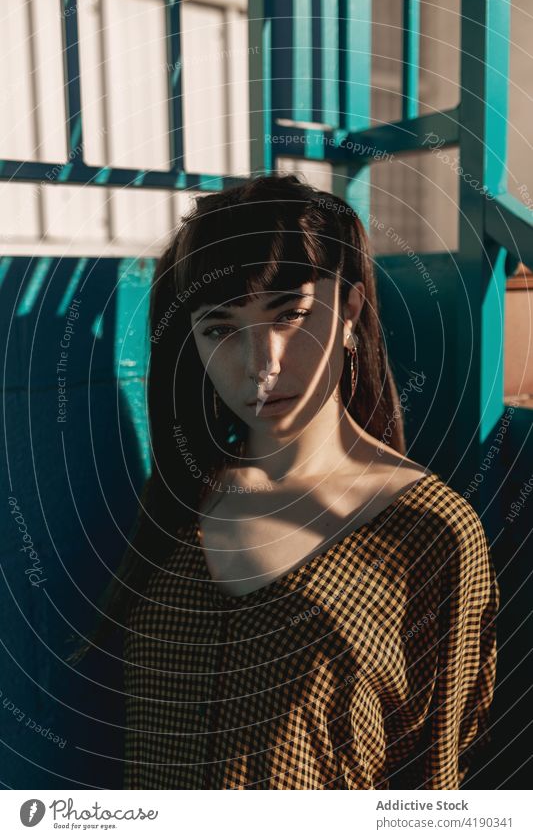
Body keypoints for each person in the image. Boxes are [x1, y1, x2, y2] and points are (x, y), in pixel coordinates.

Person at [81, 173, 498, 789]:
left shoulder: (432, 533)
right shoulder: (176, 497)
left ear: (350, 311)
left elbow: (441, 780)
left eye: (290, 313)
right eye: (220, 328)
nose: (262, 364)